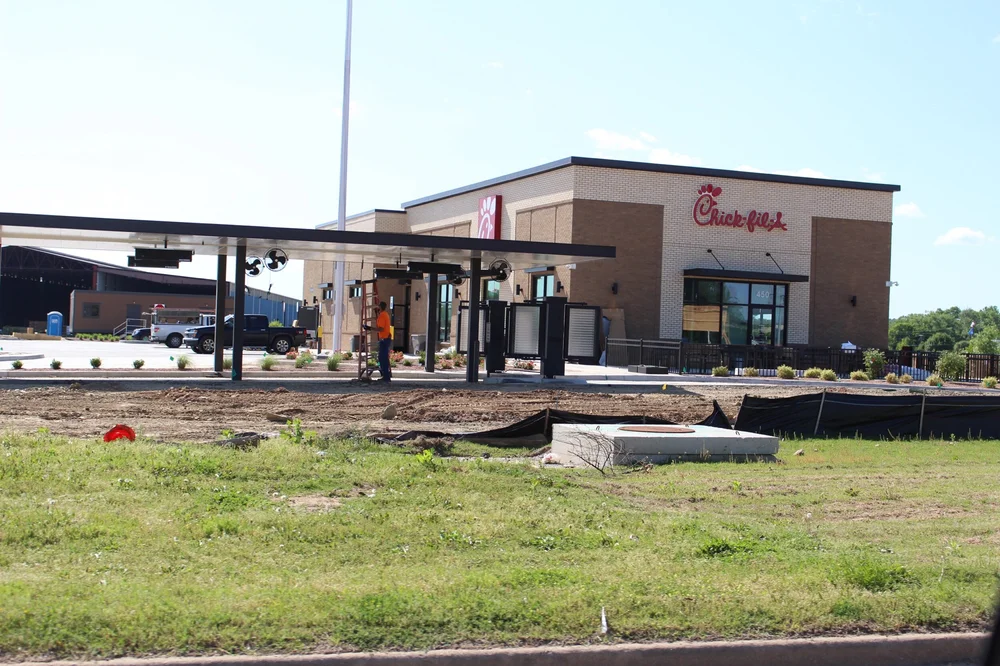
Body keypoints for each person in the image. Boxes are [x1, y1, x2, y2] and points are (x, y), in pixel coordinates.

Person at [375, 301, 392, 382]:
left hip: (384, 339)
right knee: (383, 358)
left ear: (380, 307)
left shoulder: (382, 315)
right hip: (386, 338)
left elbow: (381, 328)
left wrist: (370, 328)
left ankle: (386, 376)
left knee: (382, 358)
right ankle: (386, 375)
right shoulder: (385, 314)